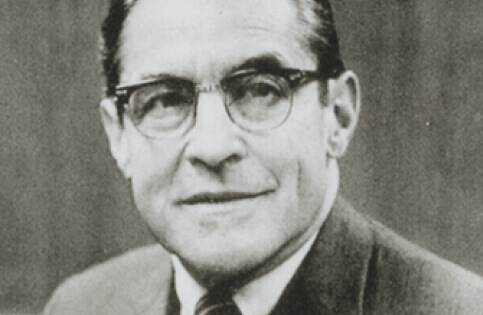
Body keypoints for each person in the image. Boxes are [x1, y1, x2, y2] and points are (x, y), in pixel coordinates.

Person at [44, 0, 483, 314]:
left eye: (260, 90)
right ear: (119, 135)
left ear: (338, 115)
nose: (212, 146)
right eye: (165, 100)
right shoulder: (82, 304)